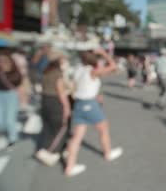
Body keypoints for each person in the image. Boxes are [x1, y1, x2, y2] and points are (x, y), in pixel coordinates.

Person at [64, 49, 122, 177]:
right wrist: (104, 53)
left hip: (79, 104)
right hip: (89, 104)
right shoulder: (92, 71)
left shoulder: (78, 69)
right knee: (103, 129)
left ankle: (70, 167)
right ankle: (108, 153)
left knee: (76, 138)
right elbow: (113, 66)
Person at [35, 50, 71, 166]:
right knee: (61, 127)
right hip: (55, 102)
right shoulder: (57, 73)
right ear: (59, 60)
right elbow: (61, 92)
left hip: (45, 101)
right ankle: (49, 151)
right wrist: (67, 107)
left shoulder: (46, 71)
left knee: (48, 128)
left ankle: (46, 147)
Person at [0, 53, 22, 146]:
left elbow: (19, 85)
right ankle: (4, 131)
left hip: (10, 95)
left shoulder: (15, 73)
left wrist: (22, 98)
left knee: (10, 119)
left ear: (10, 62)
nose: (1, 63)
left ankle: (12, 138)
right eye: (0, 61)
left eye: (4, 61)